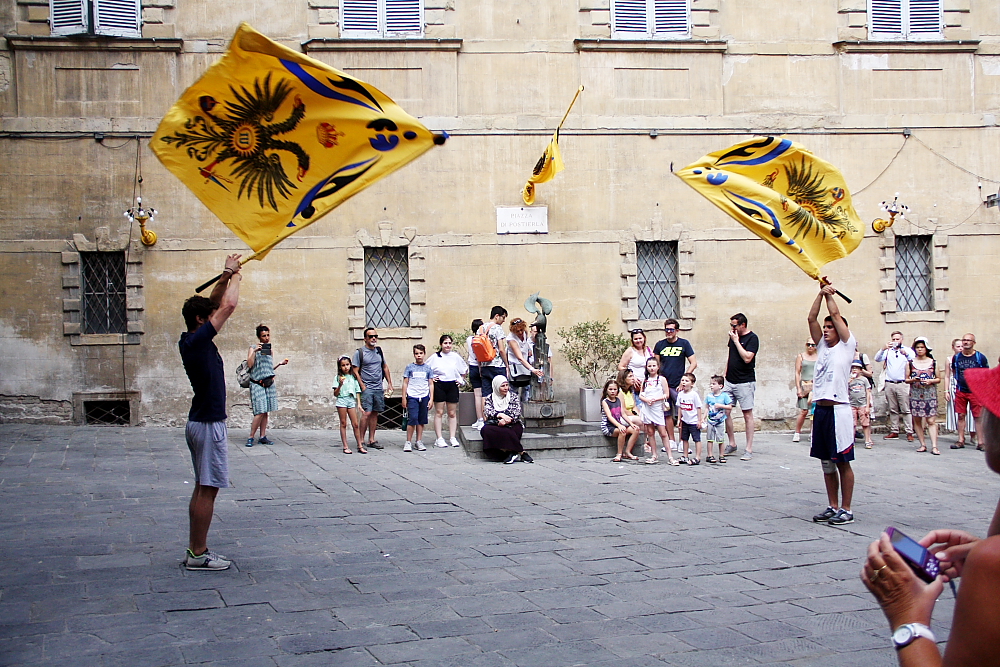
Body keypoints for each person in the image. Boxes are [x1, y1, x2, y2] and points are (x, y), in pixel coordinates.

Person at [861, 362, 1000, 666]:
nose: (985, 415)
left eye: (990, 403)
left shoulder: (993, 563)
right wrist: (983, 548)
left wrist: (906, 618)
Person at [178, 253, 242, 571]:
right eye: (209, 315)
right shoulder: (199, 342)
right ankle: (198, 554)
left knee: (203, 486)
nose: (214, 313)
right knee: (208, 488)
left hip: (200, 421)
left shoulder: (189, 339)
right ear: (202, 321)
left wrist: (225, 274)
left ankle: (195, 549)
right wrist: (238, 278)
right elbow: (227, 306)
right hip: (207, 423)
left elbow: (215, 302)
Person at [807, 282, 857, 526]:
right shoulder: (822, 347)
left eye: (830, 327)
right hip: (822, 409)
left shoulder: (847, 347)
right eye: (825, 327)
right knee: (826, 462)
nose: (826, 330)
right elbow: (811, 318)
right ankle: (832, 505)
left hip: (840, 410)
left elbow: (836, 314)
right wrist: (819, 293)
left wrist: (830, 295)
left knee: (842, 461)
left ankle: (846, 508)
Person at [652, 319, 698, 451]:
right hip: (664, 385)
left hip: (679, 385)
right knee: (667, 413)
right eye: (666, 329)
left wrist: (684, 379)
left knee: (683, 413)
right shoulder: (660, 345)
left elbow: (693, 362)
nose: (668, 332)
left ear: (677, 330)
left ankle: (683, 442)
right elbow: (656, 364)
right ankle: (671, 440)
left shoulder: (684, 343)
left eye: (671, 329)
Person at [724, 313, 759, 461]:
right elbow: (730, 356)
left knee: (747, 414)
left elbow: (747, 358)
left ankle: (748, 448)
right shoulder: (733, 337)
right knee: (725, 410)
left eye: (734, 325)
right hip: (729, 381)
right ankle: (732, 443)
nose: (732, 328)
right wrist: (724, 374)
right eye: (731, 325)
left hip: (745, 381)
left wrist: (737, 341)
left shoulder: (752, 338)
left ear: (742, 325)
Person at [246, 324, 289, 447]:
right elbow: (250, 365)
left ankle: (263, 436)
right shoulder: (253, 348)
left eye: (268, 335)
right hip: (257, 383)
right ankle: (250, 437)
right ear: (259, 337)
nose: (266, 338)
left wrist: (280, 364)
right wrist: (254, 351)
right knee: (259, 411)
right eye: (264, 336)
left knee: (266, 411)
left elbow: (268, 369)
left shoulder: (269, 350)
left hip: (268, 383)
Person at [353, 328, 393, 450]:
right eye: (371, 336)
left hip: (378, 386)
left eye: (375, 336)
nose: (374, 338)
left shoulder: (379, 351)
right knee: (366, 413)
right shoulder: (360, 352)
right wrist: (362, 385)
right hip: (367, 387)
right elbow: (355, 370)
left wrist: (390, 383)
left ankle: (372, 439)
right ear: (365, 338)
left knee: (375, 412)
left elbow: (384, 367)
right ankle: (361, 439)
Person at [875, 331, 916, 442]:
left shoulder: (907, 350)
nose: (895, 341)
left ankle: (909, 432)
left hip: (903, 383)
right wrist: (882, 349)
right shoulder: (888, 351)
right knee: (893, 409)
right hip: (890, 383)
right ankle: (894, 431)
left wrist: (906, 354)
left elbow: (914, 360)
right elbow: (877, 358)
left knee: (906, 409)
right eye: (893, 339)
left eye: (897, 339)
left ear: (901, 339)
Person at [481, 375, 532, 464]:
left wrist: (506, 420)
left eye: (506, 385)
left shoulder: (513, 396)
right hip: (496, 424)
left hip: (513, 423)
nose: (505, 388)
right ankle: (521, 452)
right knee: (485, 430)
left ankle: (511, 452)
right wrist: (499, 415)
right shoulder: (490, 398)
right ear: (496, 387)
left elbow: (516, 412)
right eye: (502, 386)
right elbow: (488, 411)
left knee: (510, 430)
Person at [951, 333, 989, 450]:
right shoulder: (957, 357)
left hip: (975, 391)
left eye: (969, 340)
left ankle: (981, 442)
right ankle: (961, 440)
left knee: (978, 416)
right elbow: (954, 370)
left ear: (974, 343)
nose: (966, 342)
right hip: (961, 390)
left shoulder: (980, 357)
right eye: (964, 340)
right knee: (961, 415)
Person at [429, 334, 468, 448]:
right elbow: (426, 369)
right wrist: (432, 379)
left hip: (452, 384)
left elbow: (464, 369)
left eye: (449, 343)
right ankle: (439, 438)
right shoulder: (435, 357)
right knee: (439, 412)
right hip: (439, 385)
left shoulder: (455, 356)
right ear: (441, 344)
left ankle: (452, 437)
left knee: (452, 413)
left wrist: (461, 380)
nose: (448, 345)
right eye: (445, 343)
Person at [638, 356, 677, 466]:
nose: (652, 368)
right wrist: (646, 400)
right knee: (650, 432)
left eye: (654, 366)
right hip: (647, 408)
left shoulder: (662, 379)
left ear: (658, 367)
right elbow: (641, 394)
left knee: (663, 432)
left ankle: (670, 456)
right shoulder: (645, 380)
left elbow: (666, 394)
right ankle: (654, 455)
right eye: (649, 366)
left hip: (657, 408)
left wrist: (656, 399)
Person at [908, 337, 941, 456]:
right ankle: (922, 444)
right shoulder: (911, 362)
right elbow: (906, 379)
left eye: (922, 347)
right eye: (917, 347)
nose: (920, 349)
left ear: (926, 348)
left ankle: (934, 446)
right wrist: (913, 379)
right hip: (915, 393)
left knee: (931, 420)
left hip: (929, 393)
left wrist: (931, 381)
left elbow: (938, 379)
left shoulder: (933, 362)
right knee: (917, 419)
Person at [477, 307, 510, 416]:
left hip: (485, 365)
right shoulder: (497, 328)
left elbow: (477, 350)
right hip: (497, 365)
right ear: (497, 316)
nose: (504, 320)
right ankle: (502, 416)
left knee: (485, 394)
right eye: (503, 317)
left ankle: (484, 419)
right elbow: (501, 349)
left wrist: (480, 367)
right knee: (502, 392)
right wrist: (507, 364)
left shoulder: (480, 329)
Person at [402, 344, 434, 452]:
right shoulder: (410, 367)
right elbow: (405, 383)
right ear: (414, 354)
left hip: (424, 396)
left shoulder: (428, 368)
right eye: (416, 353)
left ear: (424, 354)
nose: (419, 356)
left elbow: (431, 384)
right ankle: (408, 441)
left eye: (421, 353)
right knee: (412, 419)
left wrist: (431, 398)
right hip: (412, 396)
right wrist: (404, 397)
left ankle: (419, 441)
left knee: (421, 420)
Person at [506, 317, 544, 402]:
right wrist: (532, 369)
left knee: (526, 390)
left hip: (525, 366)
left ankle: (525, 410)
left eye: (521, 330)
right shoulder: (511, 340)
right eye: (517, 331)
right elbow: (520, 358)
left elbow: (526, 341)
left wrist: (529, 349)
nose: (520, 333)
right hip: (516, 366)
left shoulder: (525, 333)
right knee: (513, 393)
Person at [601, 377, 639, 462]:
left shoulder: (618, 400)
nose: (613, 391)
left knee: (635, 429)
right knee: (623, 431)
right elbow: (609, 417)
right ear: (606, 390)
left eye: (615, 389)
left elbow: (623, 414)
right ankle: (619, 454)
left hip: (618, 424)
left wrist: (631, 423)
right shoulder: (605, 402)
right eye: (610, 389)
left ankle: (628, 451)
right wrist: (619, 425)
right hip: (609, 426)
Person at [333, 355, 365, 454]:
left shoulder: (353, 377)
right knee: (343, 423)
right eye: (343, 365)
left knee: (355, 424)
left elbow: (357, 391)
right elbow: (335, 393)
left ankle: (360, 445)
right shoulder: (338, 378)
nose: (346, 367)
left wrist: (359, 404)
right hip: (342, 400)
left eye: (347, 365)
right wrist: (340, 385)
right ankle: (345, 446)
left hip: (351, 400)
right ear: (340, 367)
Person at [945, 338, 976, 440]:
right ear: (953, 348)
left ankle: (973, 435)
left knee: (972, 412)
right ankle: (961, 437)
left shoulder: (972, 358)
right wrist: (946, 391)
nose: (960, 348)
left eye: (961, 346)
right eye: (958, 346)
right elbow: (947, 376)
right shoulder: (950, 359)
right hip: (955, 386)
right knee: (960, 413)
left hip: (970, 386)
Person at [676, 373, 704, 466]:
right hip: (685, 420)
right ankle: (685, 455)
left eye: (687, 381)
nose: (684, 382)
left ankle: (697, 457)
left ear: (692, 384)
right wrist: (679, 419)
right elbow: (679, 407)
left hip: (693, 421)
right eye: (683, 380)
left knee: (696, 439)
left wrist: (699, 420)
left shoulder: (694, 395)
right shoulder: (680, 394)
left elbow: (699, 408)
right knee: (684, 439)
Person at [793, 339, 818, 442]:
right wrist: (798, 388)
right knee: (804, 410)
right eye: (808, 344)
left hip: (816, 386)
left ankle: (813, 433)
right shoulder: (801, 356)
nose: (810, 347)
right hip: (805, 385)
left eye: (813, 345)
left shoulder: (819, 356)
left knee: (815, 411)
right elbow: (797, 372)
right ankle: (797, 432)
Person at [704, 375, 732, 464]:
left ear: (720, 386)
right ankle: (709, 455)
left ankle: (721, 455)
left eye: (713, 384)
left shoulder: (724, 396)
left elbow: (730, 406)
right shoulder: (709, 396)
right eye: (711, 384)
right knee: (710, 438)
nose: (711, 386)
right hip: (710, 420)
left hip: (720, 421)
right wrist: (703, 418)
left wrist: (721, 406)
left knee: (721, 439)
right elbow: (707, 408)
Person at [618, 329, 653, 395]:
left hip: (648, 385)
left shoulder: (649, 350)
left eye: (640, 338)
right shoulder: (630, 351)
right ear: (632, 340)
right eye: (636, 339)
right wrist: (632, 376)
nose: (638, 341)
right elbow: (621, 366)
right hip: (635, 386)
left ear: (644, 338)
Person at [849, 361, 874, 450]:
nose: (854, 370)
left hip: (862, 404)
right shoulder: (848, 379)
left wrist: (867, 406)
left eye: (857, 368)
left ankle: (867, 440)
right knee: (852, 423)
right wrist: (849, 381)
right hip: (852, 404)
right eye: (853, 368)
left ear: (860, 370)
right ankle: (851, 441)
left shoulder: (864, 380)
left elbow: (868, 392)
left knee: (865, 423)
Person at [466, 319, 485, 430]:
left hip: (472, 366)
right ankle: (484, 418)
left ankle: (479, 419)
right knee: (484, 394)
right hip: (480, 367)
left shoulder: (469, 339)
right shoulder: (481, 339)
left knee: (477, 395)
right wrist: (481, 368)